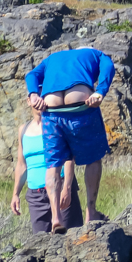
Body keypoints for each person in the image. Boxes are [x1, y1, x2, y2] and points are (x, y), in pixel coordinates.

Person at [25, 47, 114, 234]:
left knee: (53, 165)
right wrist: (100, 91)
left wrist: (33, 95)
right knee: (93, 159)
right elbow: (108, 66)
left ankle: (56, 218)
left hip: (51, 109)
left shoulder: (52, 58)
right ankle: (91, 212)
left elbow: (31, 75)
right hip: (80, 105)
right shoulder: (96, 53)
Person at [10, 105, 84, 233]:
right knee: (40, 239)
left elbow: (68, 159)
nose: (40, 102)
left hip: (60, 188)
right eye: (36, 97)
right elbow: (21, 165)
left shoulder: (57, 125)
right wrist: (15, 194)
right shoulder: (23, 130)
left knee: (69, 236)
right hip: (36, 196)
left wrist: (67, 188)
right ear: (29, 101)